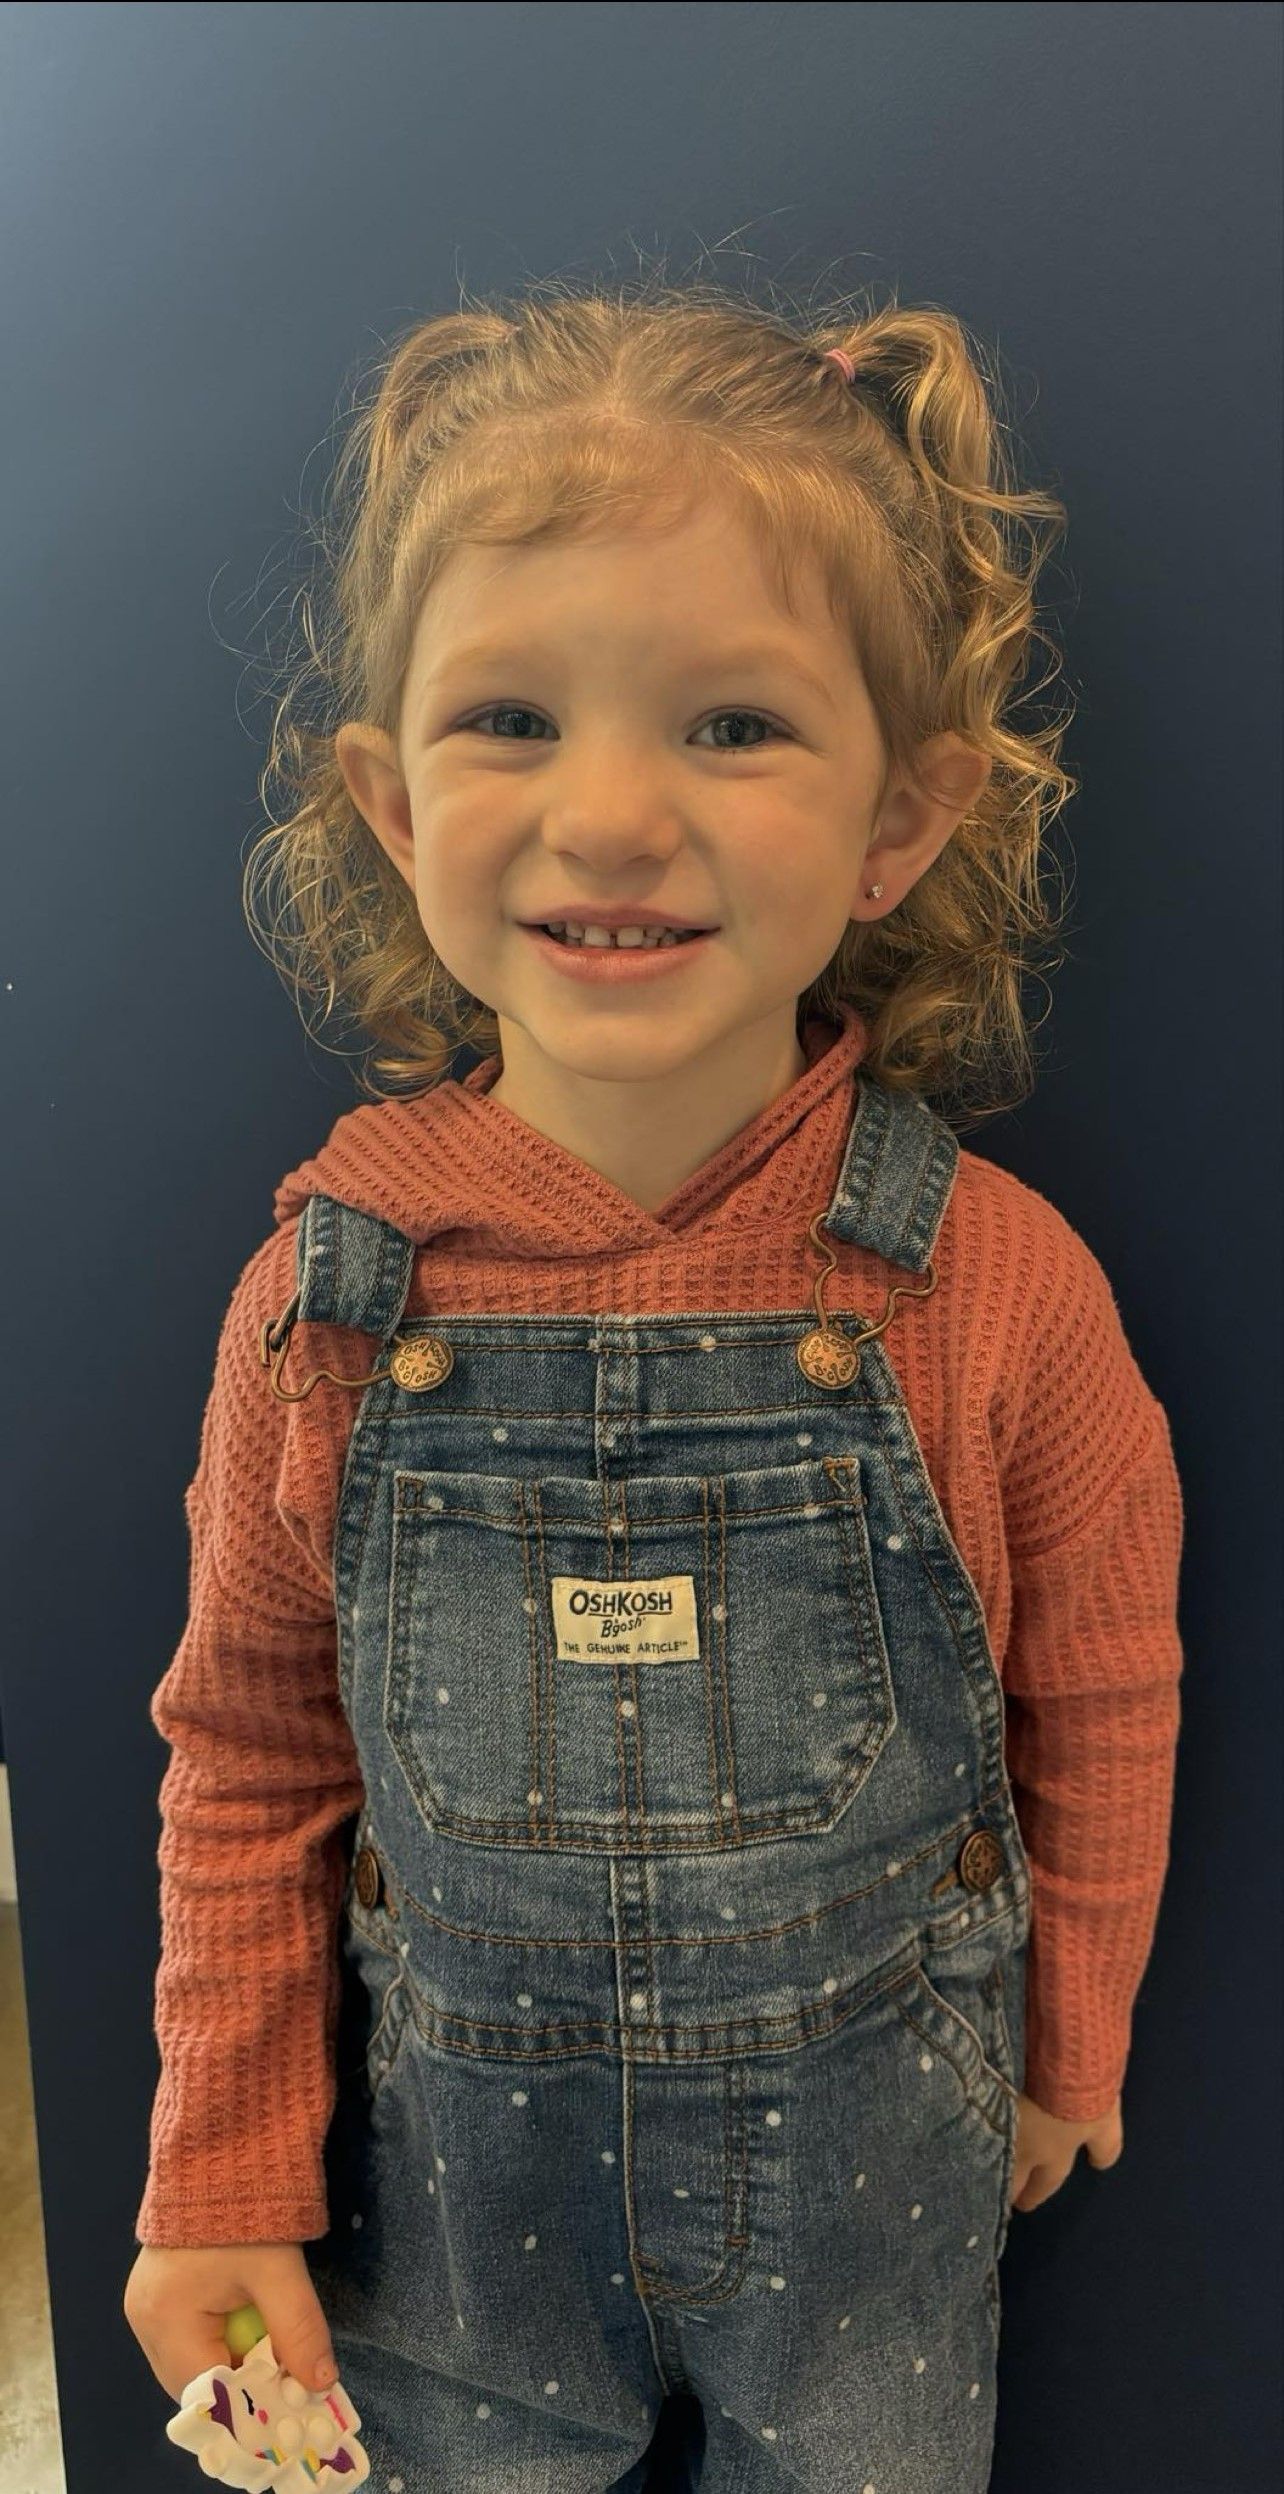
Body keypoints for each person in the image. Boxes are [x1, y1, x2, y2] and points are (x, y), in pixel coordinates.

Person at [122, 275, 1185, 2493]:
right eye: (509, 715)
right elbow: (246, 1747)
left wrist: (1072, 2029)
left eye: (730, 726)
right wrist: (220, 2158)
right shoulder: (321, 1300)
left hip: (879, 2225)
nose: (609, 812)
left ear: (900, 818)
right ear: (391, 806)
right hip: (448, 2258)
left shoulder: (994, 1284)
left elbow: (1100, 1677)